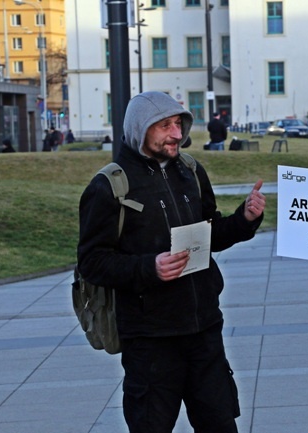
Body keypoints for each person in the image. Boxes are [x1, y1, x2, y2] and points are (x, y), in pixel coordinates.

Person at [77, 91, 265, 433]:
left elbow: (209, 234)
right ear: (140, 129)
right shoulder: (109, 186)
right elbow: (92, 262)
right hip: (150, 341)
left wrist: (244, 219)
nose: (177, 134)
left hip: (204, 330)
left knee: (221, 426)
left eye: (178, 124)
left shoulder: (191, 171)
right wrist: (149, 268)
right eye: (165, 125)